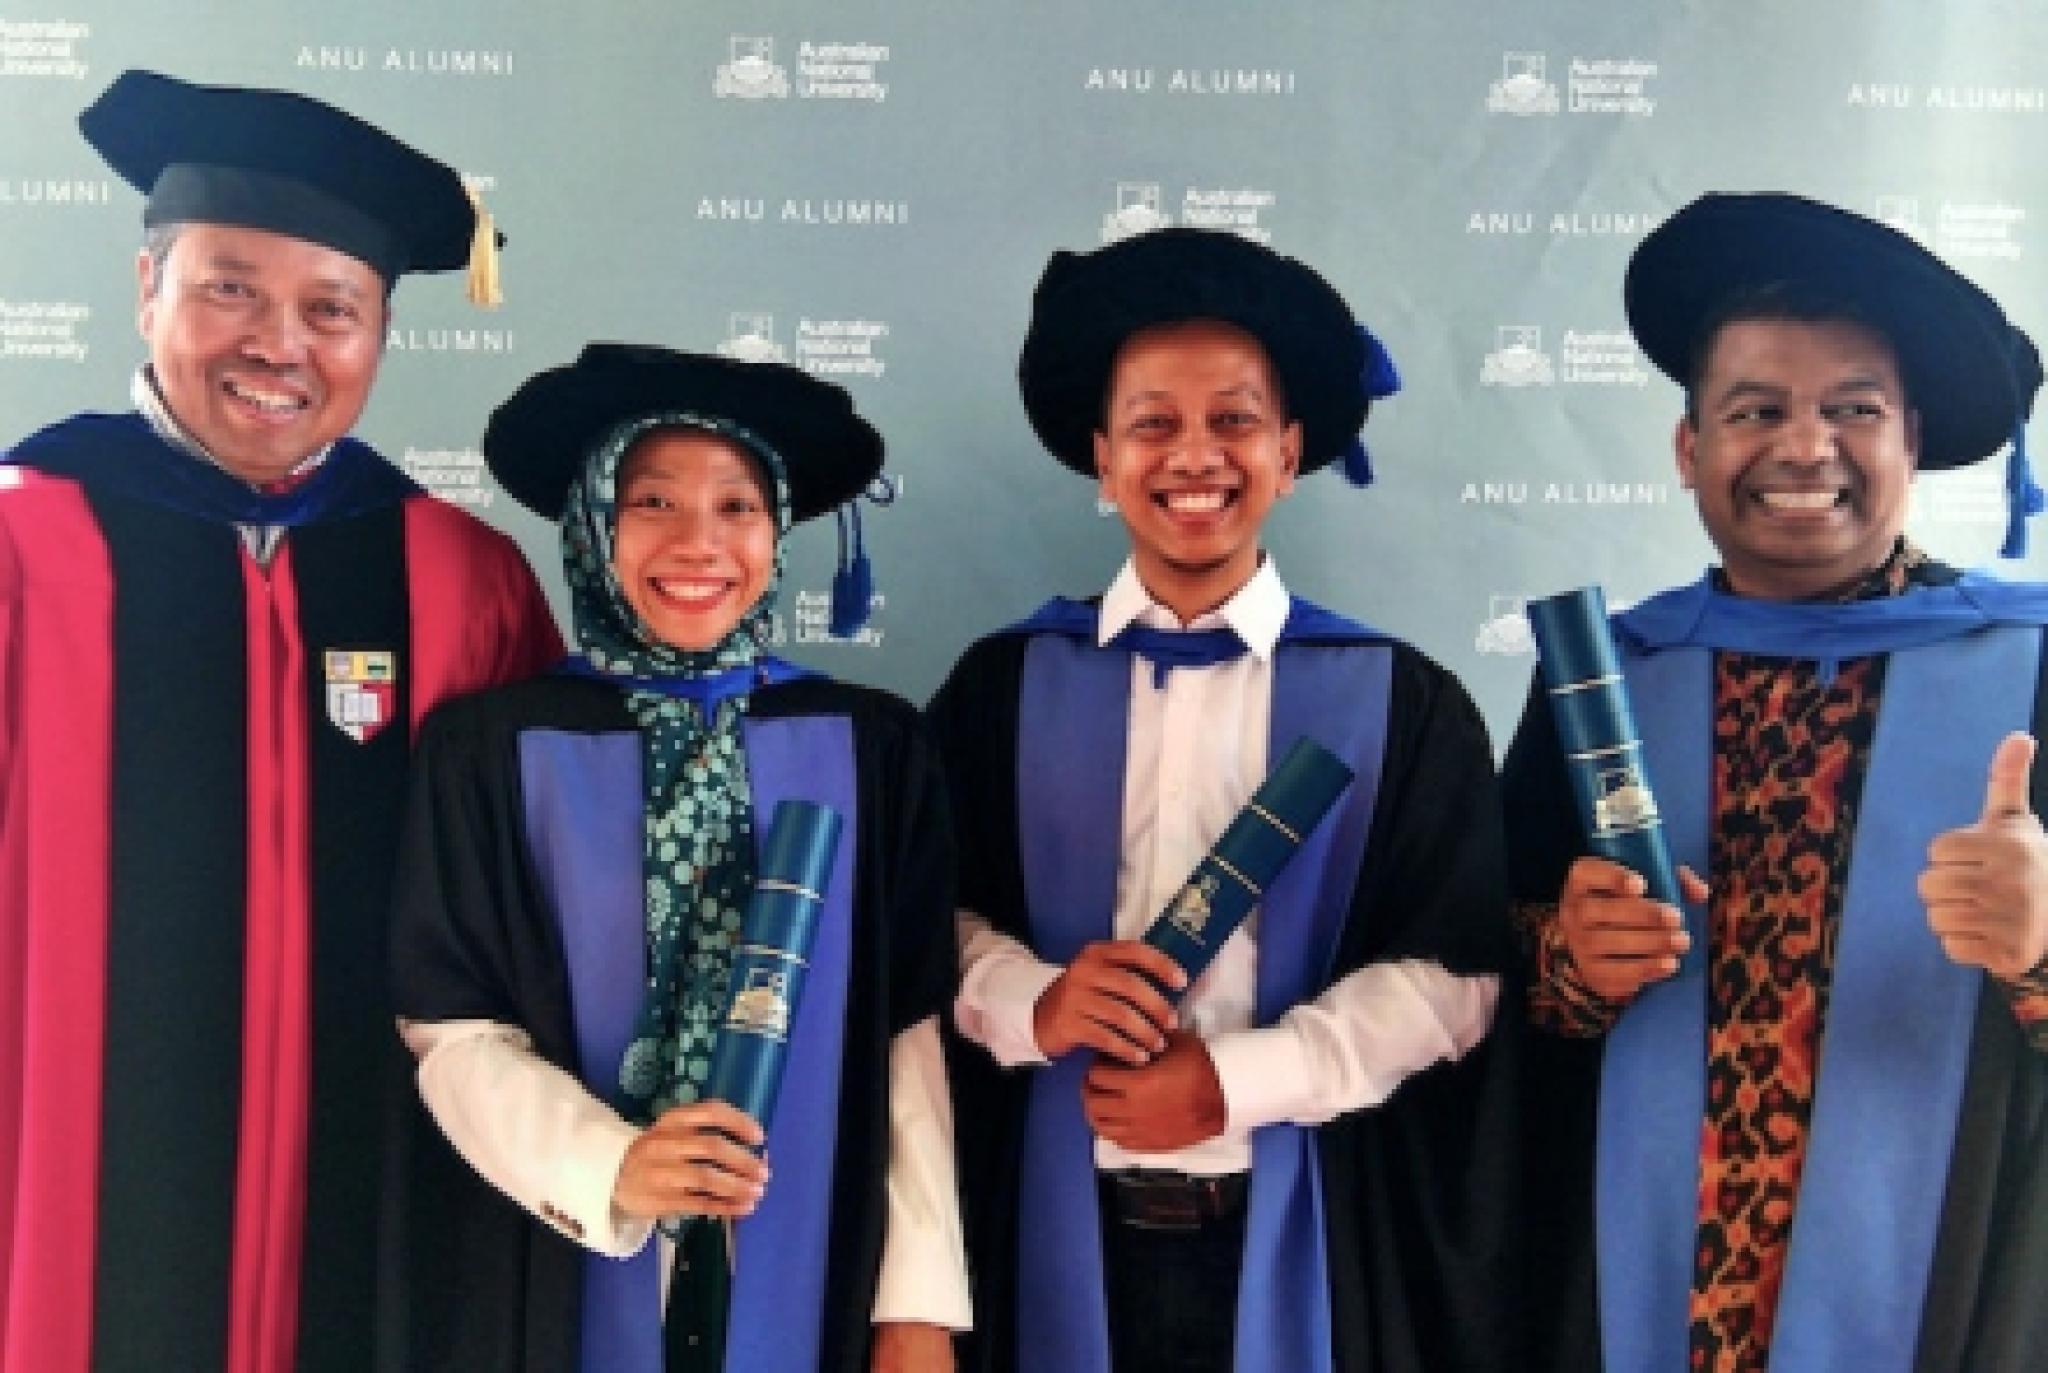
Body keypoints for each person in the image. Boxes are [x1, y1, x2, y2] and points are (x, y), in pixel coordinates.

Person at [0, 69, 560, 1372]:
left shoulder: (461, 580)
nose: (280, 344)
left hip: (378, 1194)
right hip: (60, 1180)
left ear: (377, 335)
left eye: (333, 308)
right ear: (148, 289)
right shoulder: (26, 544)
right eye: (229, 288)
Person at [933, 227, 1522, 1373]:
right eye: (1151, 422)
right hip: (1048, 1227)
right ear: (1101, 458)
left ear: (1289, 448)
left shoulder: (1397, 697)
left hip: (1304, 1224)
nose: (1192, 453)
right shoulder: (1001, 686)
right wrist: (1036, 1001)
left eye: (1234, 419)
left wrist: (1238, 1081)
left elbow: (1457, 973)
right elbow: (921, 923)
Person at [1504, 192, 2048, 1373]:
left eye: (1852, 409)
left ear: (1910, 438)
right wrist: (1561, 961)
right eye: (1755, 409)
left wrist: (2039, 947)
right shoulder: (1600, 685)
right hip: (1635, 1287)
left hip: (1946, 1301)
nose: (1804, 446)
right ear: (1689, 446)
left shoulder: (2028, 668)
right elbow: (1473, 993)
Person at [386, 344, 969, 1372]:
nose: (699, 541)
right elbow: (451, 1024)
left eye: (738, 506)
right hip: (561, 1236)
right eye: (651, 500)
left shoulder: (873, 743)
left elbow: (905, 1032)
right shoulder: (491, 746)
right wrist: (613, 1164)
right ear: (593, 523)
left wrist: (916, 1301)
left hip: (814, 1246)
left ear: (776, 528)